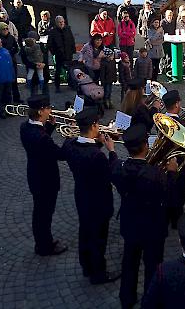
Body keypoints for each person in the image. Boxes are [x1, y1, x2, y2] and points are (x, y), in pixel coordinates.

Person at [111, 124, 178, 309]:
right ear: (146, 146)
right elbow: (170, 195)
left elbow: (114, 165)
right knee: (153, 265)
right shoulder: (157, 175)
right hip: (153, 227)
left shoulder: (119, 168)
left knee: (129, 262)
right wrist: (172, 172)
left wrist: (111, 151)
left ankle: (127, 298)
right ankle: (151, 301)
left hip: (130, 223)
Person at [62, 107, 119, 284]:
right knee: (98, 238)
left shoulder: (70, 145)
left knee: (85, 232)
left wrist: (99, 142)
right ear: (94, 125)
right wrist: (112, 151)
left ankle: (86, 266)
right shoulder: (97, 156)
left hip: (82, 196)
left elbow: (84, 149)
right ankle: (98, 273)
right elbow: (111, 175)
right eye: (98, 124)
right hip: (99, 202)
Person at [20, 94, 69, 256]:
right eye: (48, 108)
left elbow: (40, 141)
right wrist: (70, 138)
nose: (50, 111)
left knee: (40, 213)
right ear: (41, 112)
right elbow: (60, 154)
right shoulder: (41, 138)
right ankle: (44, 246)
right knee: (44, 215)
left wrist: (50, 127)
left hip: (35, 175)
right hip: (46, 180)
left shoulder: (25, 127)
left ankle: (43, 242)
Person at [163, 90, 185, 228]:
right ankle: (176, 219)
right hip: (181, 163)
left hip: (166, 160)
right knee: (179, 190)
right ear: (177, 103)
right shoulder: (182, 125)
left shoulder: (161, 118)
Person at [47, 16, 76, 93]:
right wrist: (54, 52)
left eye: (63, 21)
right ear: (56, 23)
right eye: (60, 22)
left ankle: (71, 84)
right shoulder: (52, 32)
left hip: (68, 53)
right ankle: (57, 87)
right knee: (58, 71)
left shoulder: (67, 29)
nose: (62, 23)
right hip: (59, 54)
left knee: (70, 70)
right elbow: (50, 44)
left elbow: (72, 40)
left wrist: (73, 50)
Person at [0, 22, 22, 104]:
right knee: (6, 83)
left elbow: (16, 47)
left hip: (12, 61)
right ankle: (6, 102)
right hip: (3, 63)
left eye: (6, 28)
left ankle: (16, 98)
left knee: (14, 80)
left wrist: (11, 51)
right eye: (3, 29)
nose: (5, 30)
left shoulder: (11, 37)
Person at [146, 17, 164, 81]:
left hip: (159, 50)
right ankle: (151, 78)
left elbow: (162, 39)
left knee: (157, 66)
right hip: (152, 50)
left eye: (158, 22)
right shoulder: (150, 30)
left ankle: (155, 79)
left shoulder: (161, 29)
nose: (157, 24)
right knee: (152, 66)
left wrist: (156, 41)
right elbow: (152, 39)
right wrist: (157, 33)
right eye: (155, 22)